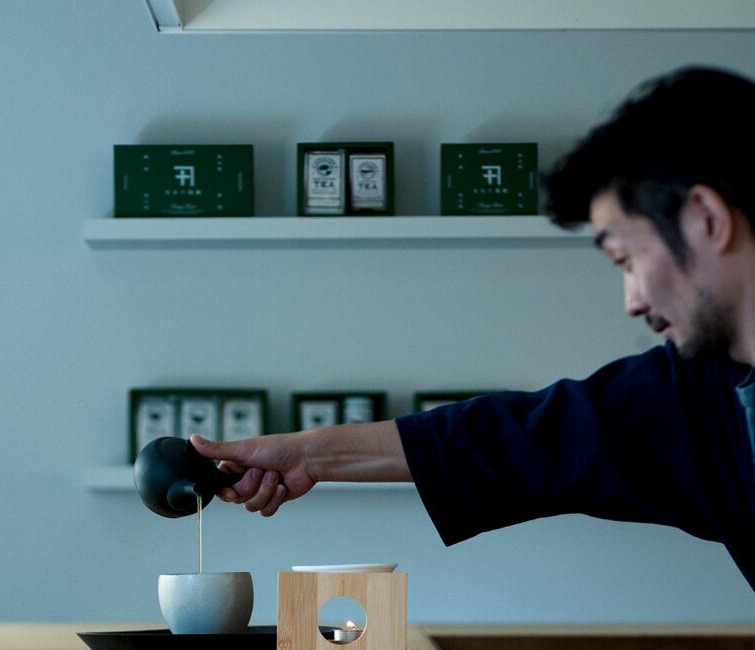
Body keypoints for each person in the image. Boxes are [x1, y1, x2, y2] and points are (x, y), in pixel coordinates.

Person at [192, 64, 755, 598]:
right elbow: (514, 438)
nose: (632, 302)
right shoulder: (700, 391)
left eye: (626, 259)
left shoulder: (695, 383)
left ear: (707, 218)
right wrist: (311, 456)